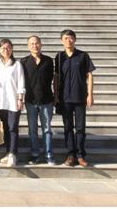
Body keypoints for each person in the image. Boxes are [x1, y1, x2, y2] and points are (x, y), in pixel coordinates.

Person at [55, 29, 95, 168]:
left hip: (80, 97)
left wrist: (90, 94)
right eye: (66, 38)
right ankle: (71, 154)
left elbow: (89, 75)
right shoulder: (59, 57)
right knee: (67, 127)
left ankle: (80, 155)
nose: (68, 40)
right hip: (65, 98)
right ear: (61, 41)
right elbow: (56, 77)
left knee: (80, 127)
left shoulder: (83, 56)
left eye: (71, 38)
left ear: (75, 39)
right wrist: (55, 96)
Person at [20, 35, 56, 165]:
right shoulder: (24, 62)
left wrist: (55, 97)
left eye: (37, 43)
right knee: (32, 130)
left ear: (40, 44)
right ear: (28, 46)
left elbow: (52, 78)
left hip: (46, 100)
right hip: (31, 100)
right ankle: (34, 154)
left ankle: (48, 154)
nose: (34, 46)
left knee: (47, 129)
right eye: (32, 44)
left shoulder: (48, 61)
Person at [0, 39, 25, 168]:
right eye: (3, 48)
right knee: (6, 128)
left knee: (13, 128)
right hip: (1, 102)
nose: (6, 50)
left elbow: (21, 83)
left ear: (12, 49)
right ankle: (8, 152)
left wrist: (20, 99)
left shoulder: (17, 65)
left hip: (13, 101)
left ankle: (13, 154)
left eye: (8, 48)